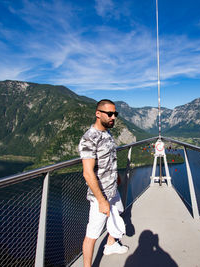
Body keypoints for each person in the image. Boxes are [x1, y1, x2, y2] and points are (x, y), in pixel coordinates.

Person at [78, 99, 128, 267]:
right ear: (98, 114)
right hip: (100, 195)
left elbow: (109, 161)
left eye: (115, 114)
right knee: (92, 234)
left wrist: (117, 177)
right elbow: (88, 173)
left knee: (118, 213)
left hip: (112, 189)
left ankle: (111, 244)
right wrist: (101, 201)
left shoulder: (107, 134)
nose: (113, 117)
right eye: (109, 114)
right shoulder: (89, 138)